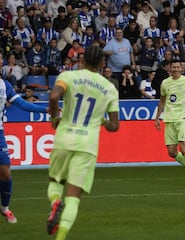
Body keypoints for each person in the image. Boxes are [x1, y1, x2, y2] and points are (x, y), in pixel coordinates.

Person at [46, 45, 119, 239]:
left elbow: (53, 96)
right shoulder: (109, 88)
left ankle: (54, 201)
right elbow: (114, 125)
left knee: (55, 181)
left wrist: (54, 119)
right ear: (103, 63)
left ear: (82, 60)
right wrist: (101, 121)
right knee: (73, 198)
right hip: (87, 144)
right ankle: (60, 237)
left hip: (64, 138)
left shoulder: (68, 77)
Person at [0, 52, 48, 223]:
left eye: (0, 59)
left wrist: (46, 109)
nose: (0, 62)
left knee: (5, 173)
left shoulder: (5, 85)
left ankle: (5, 208)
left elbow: (21, 104)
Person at [155, 59, 185, 190]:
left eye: (178, 67)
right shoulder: (165, 83)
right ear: (169, 69)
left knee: (183, 149)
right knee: (171, 152)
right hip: (169, 119)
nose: (176, 69)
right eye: (173, 67)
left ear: (181, 69)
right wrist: (157, 117)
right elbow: (162, 100)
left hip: (183, 118)